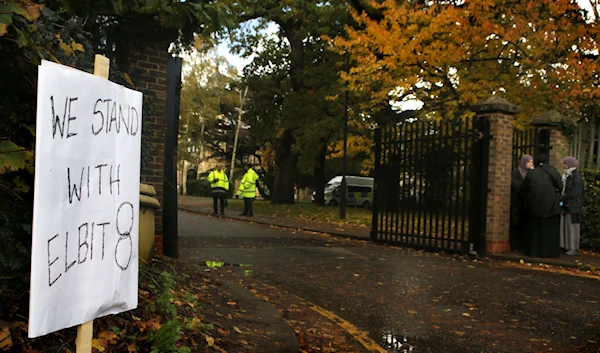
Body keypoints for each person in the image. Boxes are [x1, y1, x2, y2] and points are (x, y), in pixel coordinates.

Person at [520, 153, 563, 258]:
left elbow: (523, 189)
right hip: (551, 207)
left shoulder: (532, 173)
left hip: (534, 207)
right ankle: (550, 252)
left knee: (535, 231)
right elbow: (560, 186)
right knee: (549, 232)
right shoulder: (553, 171)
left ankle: (534, 252)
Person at [560, 156, 585, 256]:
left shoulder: (575, 176)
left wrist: (564, 197)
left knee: (572, 226)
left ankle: (572, 247)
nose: (564, 165)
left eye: (565, 163)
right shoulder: (569, 175)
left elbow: (575, 192)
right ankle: (567, 245)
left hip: (573, 206)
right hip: (569, 205)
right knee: (567, 225)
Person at [510, 154, 534, 251]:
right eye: (529, 162)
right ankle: (515, 245)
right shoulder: (517, 172)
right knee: (516, 224)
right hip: (517, 202)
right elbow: (515, 185)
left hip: (527, 203)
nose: (531, 164)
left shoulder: (532, 173)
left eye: (532, 162)